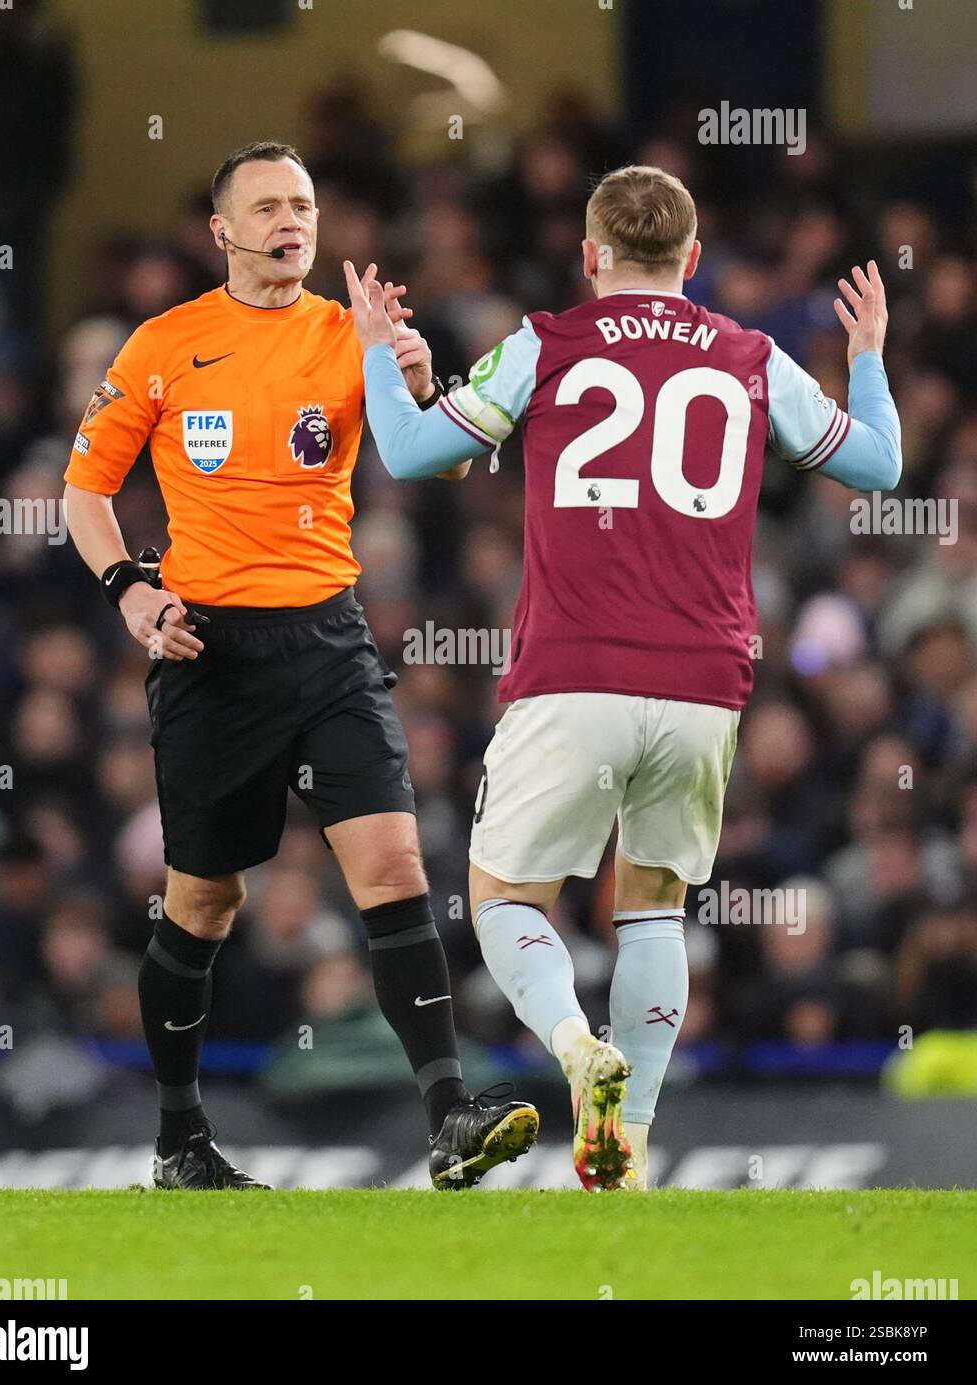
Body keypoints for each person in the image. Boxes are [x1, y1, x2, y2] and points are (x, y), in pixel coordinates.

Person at [345, 162, 902, 1190]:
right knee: (650, 904)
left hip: (572, 670)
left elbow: (415, 449)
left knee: (504, 897)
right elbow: (875, 466)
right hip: (702, 682)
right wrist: (865, 359)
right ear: (691, 261)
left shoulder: (546, 344)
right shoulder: (747, 355)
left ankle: (570, 1044)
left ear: (589, 254)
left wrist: (381, 357)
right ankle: (627, 1143)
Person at [62, 140, 538, 1191]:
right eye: (268, 206)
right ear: (220, 230)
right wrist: (131, 591)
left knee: (396, 869)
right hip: (209, 654)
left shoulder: (349, 334)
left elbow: (443, 456)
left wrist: (415, 377)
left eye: (305, 205)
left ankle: (447, 1116)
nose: (292, 221)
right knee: (204, 904)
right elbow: (83, 493)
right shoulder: (165, 344)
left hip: (327, 639)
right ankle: (179, 1139)